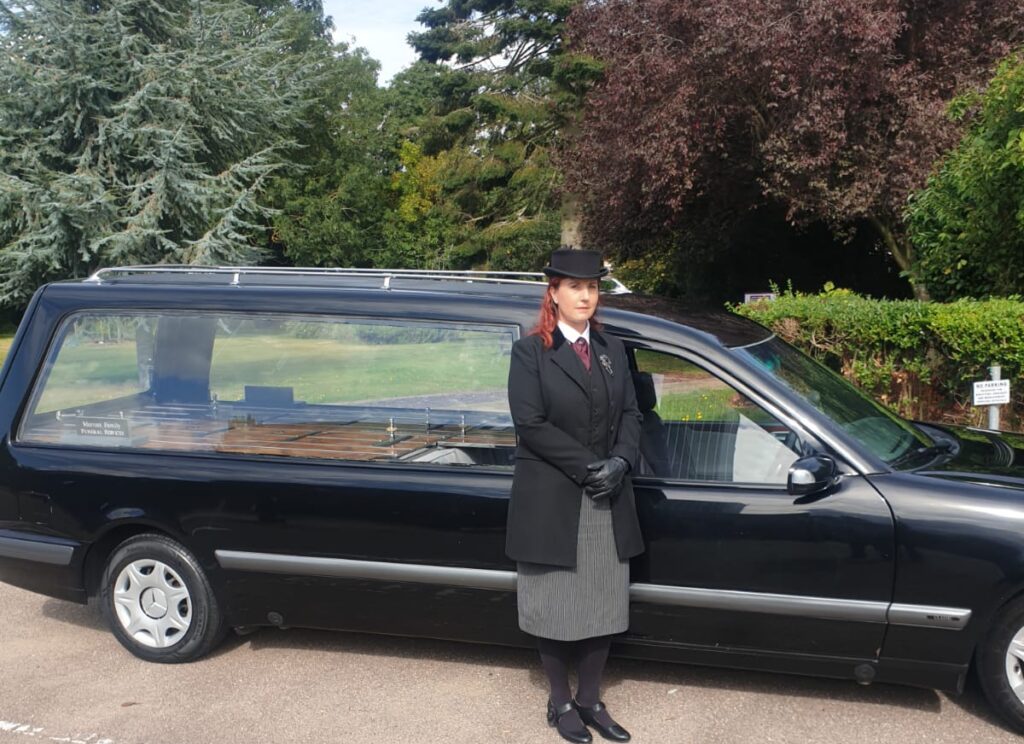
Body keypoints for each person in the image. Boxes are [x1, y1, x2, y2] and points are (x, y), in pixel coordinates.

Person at [506, 247, 644, 744]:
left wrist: (622, 461)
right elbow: (531, 424)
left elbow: (632, 414)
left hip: (608, 496)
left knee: (603, 605)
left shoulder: (611, 348)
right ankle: (561, 701)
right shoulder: (530, 353)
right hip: (553, 499)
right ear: (554, 293)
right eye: (574, 287)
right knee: (554, 605)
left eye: (592, 287)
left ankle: (590, 699)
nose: (585, 295)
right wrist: (591, 467)